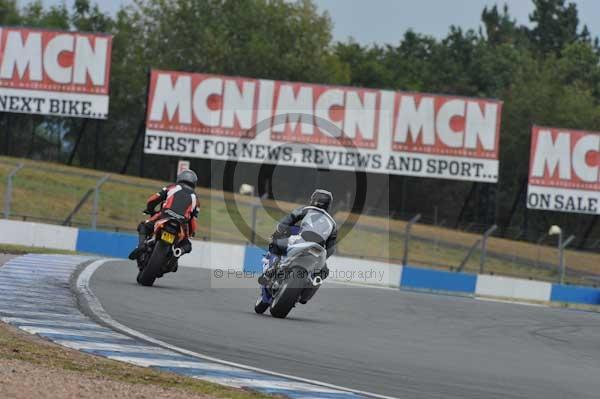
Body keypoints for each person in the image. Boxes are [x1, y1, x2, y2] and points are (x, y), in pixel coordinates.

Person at [258, 189, 337, 293]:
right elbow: (331, 248)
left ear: (314, 200)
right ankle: (309, 288)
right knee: (324, 272)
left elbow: (287, 221)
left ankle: (271, 269)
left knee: (277, 243)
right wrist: (324, 258)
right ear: (328, 205)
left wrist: (279, 230)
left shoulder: (306, 209)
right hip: (319, 250)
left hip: (302, 241)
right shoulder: (333, 224)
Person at [128, 169, 200, 264]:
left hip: (164, 217)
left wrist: (150, 209)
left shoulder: (172, 187)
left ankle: (141, 246)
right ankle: (177, 254)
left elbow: (153, 200)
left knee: (143, 226)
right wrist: (191, 232)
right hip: (180, 224)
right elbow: (193, 221)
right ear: (194, 183)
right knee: (187, 246)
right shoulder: (196, 199)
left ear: (180, 178)